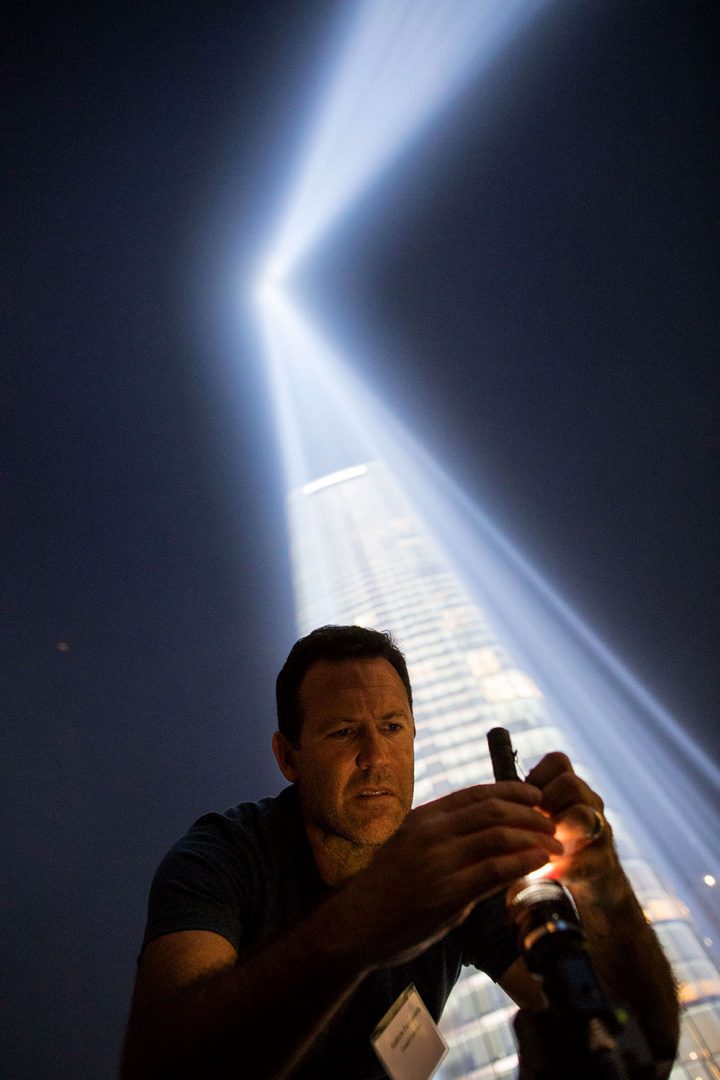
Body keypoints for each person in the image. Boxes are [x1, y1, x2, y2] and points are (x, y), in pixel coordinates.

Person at [122, 625, 679, 1079]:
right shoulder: (222, 858)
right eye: (343, 733)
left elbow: (634, 1045)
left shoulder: (447, 869)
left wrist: (602, 884)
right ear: (288, 758)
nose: (375, 756)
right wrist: (366, 920)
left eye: (392, 727)